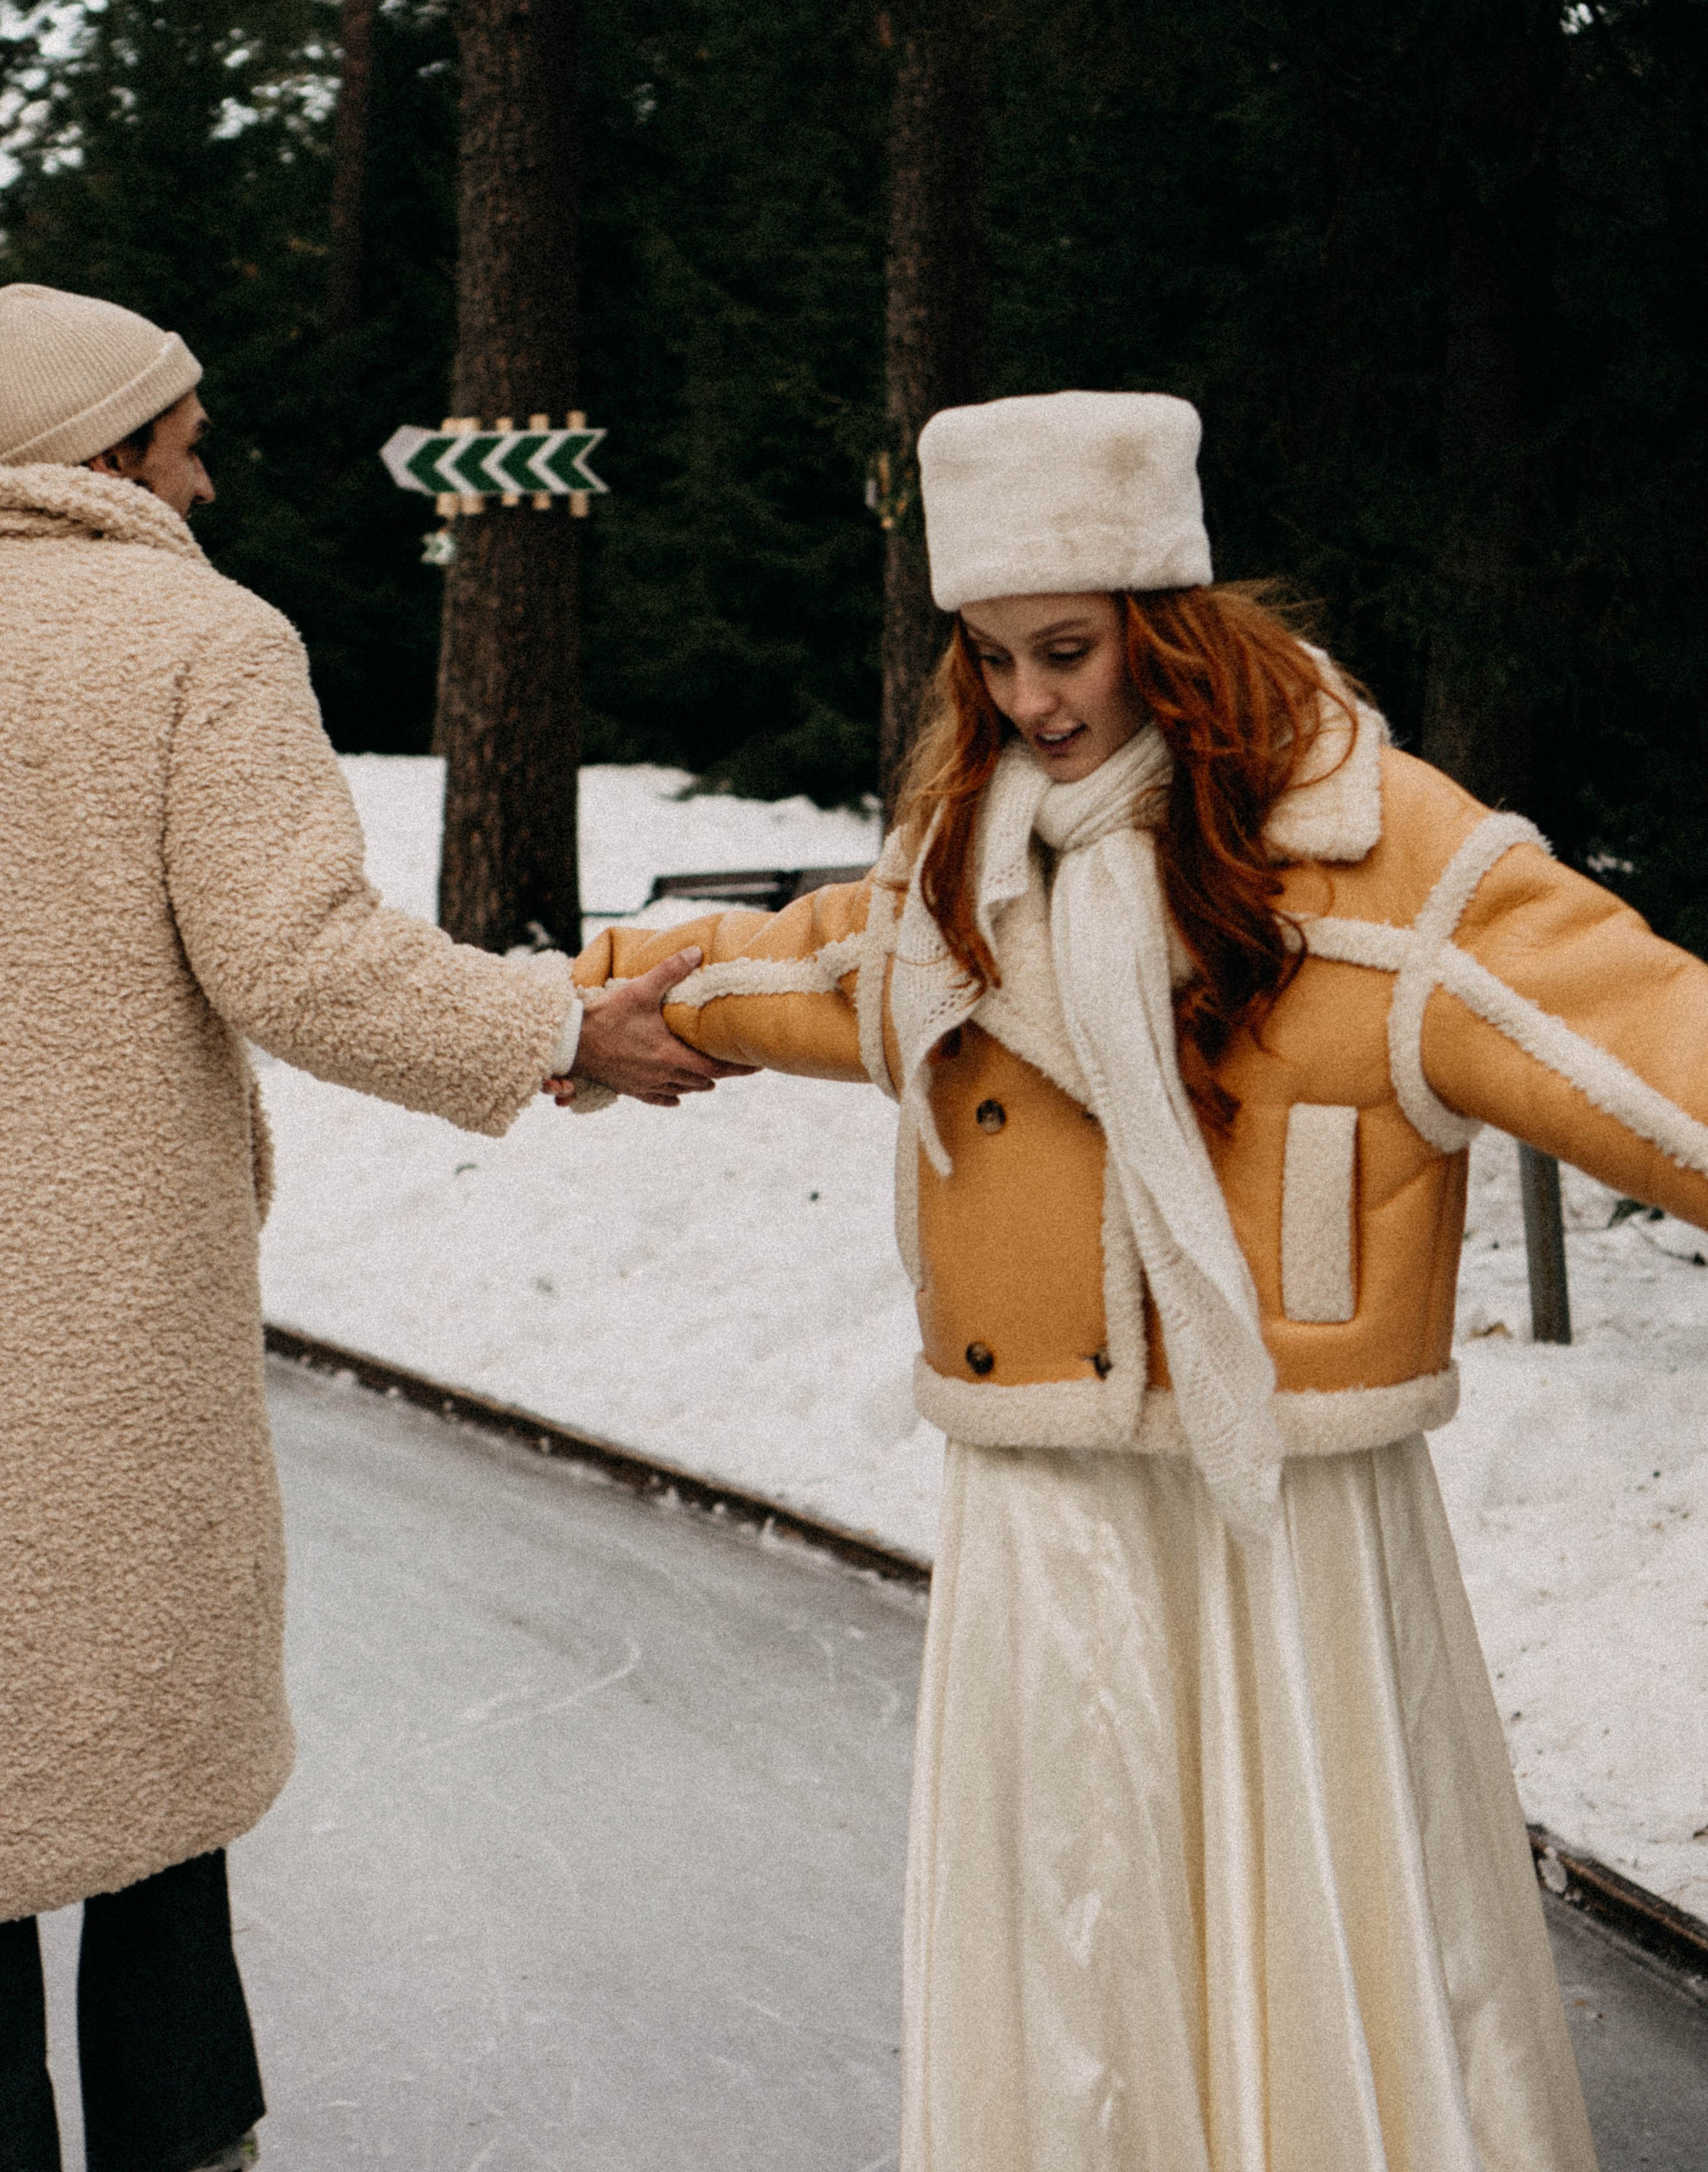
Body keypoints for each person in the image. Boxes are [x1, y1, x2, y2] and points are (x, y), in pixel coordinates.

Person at [564, 386, 1708, 2170]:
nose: (1033, 701)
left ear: (1168, 630)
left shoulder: (1385, 851)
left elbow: (1645, 1042)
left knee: (1318, 1901)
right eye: (996, 658)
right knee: (1081, 1912)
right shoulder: (971, 861)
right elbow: (815, 965)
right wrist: (605, 996)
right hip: (1046, 1482)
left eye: (1072, 650)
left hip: (1288, 1507)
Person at [0, 282, 743, 2172]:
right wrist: (564, 1027)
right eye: (184, 442)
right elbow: (298, 958)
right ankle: (182, 2131)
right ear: (98, 459)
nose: (210, 476)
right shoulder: (194, 639)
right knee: (137, 1734)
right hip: (98, 1311)